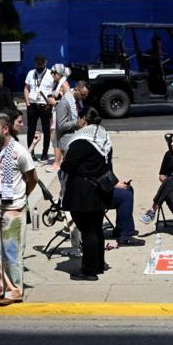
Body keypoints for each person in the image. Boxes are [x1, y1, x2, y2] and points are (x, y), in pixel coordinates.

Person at [0, 113, 38, 306]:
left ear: (5, 129)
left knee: (12, 252)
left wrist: (23, 196)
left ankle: (14, 291)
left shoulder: (20, 152)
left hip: (12, 208)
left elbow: (33, 179)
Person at [60, 108, 114, 281]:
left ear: (83, 119)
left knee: (88, 231)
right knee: (96, 229)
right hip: (100, 190)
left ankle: (89, 270)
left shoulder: (81, 140)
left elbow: (67, 166)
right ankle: (98, 265)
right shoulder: (103, 136)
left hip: (83, 192)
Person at [23, 55, 54, 161]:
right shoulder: (31, 73)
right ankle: (30, 152)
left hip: (45, 105)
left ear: (46, 62)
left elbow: (54, 90)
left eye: (41, 64)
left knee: (46, 129)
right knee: (31, 129)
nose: (39, 66)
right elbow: (26, 88)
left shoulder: (50, 74)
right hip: (32, 105)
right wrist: (27, 102)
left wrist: (51, 102)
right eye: (37, 64)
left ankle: (45, 153)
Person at [46, 64, 71, 172]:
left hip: (60, 113)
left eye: (53, 72)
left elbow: (69, 101)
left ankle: (57, 162)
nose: (52, 74)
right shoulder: (56, 83)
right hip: (55, 112)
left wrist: (54, 102)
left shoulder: (64, 84)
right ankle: (58, 161)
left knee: (56, 137)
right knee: (54, 136)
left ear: (59, 74)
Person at [111, 180, 144, 246]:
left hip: (100, 187)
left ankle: (121, 228)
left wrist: (116, 182)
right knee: (126, 195)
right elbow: (92, 175)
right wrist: (113, 185)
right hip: (92, 192)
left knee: (129, 189)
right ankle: (125, 236)